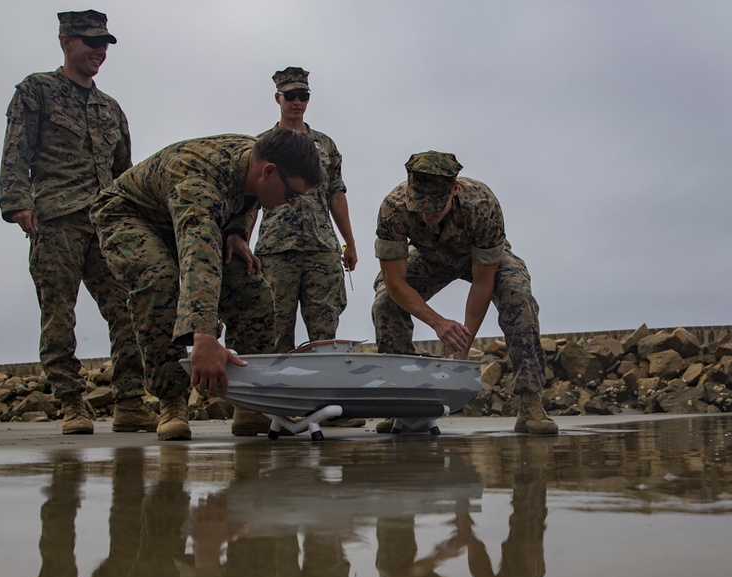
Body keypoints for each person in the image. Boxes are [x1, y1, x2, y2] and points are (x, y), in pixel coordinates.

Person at [90, 129, 322, 441]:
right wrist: (204, 335)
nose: (292, 205)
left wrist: (237, 230)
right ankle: (171, 402)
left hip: (189, 220)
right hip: (129, 216)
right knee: (158, 282)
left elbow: (246, 198)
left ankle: (251, 406)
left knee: (253, 291)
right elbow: (198, 258)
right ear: (268, 172)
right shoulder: (199, 183)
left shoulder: (258, 159)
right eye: (292, 195)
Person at [0, 10, 157, 436]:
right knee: (58, 314)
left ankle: (129, 401)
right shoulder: (38, 91)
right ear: (66, 41)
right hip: (56, 218)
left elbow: (125, 173)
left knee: (128, 310)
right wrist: (17, 201)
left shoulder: (111, 109)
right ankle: (72, 403)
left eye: (104, 44)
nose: (99, 52)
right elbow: (17, 149)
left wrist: (139, 220)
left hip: (106, 224)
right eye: (91, 43)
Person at [372, 151, 558, 435]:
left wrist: (463, 344)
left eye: (435, 206)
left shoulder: (482, 205)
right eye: (420, 206)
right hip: (427, 257)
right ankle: (404, 403)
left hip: (479, 259)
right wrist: (438, 322)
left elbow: (483, 282)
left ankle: (530, 403)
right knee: (385, 303)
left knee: (518, 296)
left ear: (454, 190)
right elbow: (395, 281)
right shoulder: (393, 209)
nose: (427, 214)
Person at [235, 67, 364, 434]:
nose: (296, 102)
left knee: (325, 331)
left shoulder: (325, 145)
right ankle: (271, 408)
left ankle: (329, 406)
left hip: (322, 248)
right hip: (276, 250)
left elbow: (336, 193)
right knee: (275, 329)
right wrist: (240, 238)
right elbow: (248, 199)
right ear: (277, 98)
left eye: (302, 96)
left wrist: (349, 241)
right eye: (289, 95)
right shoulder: (261, 145)